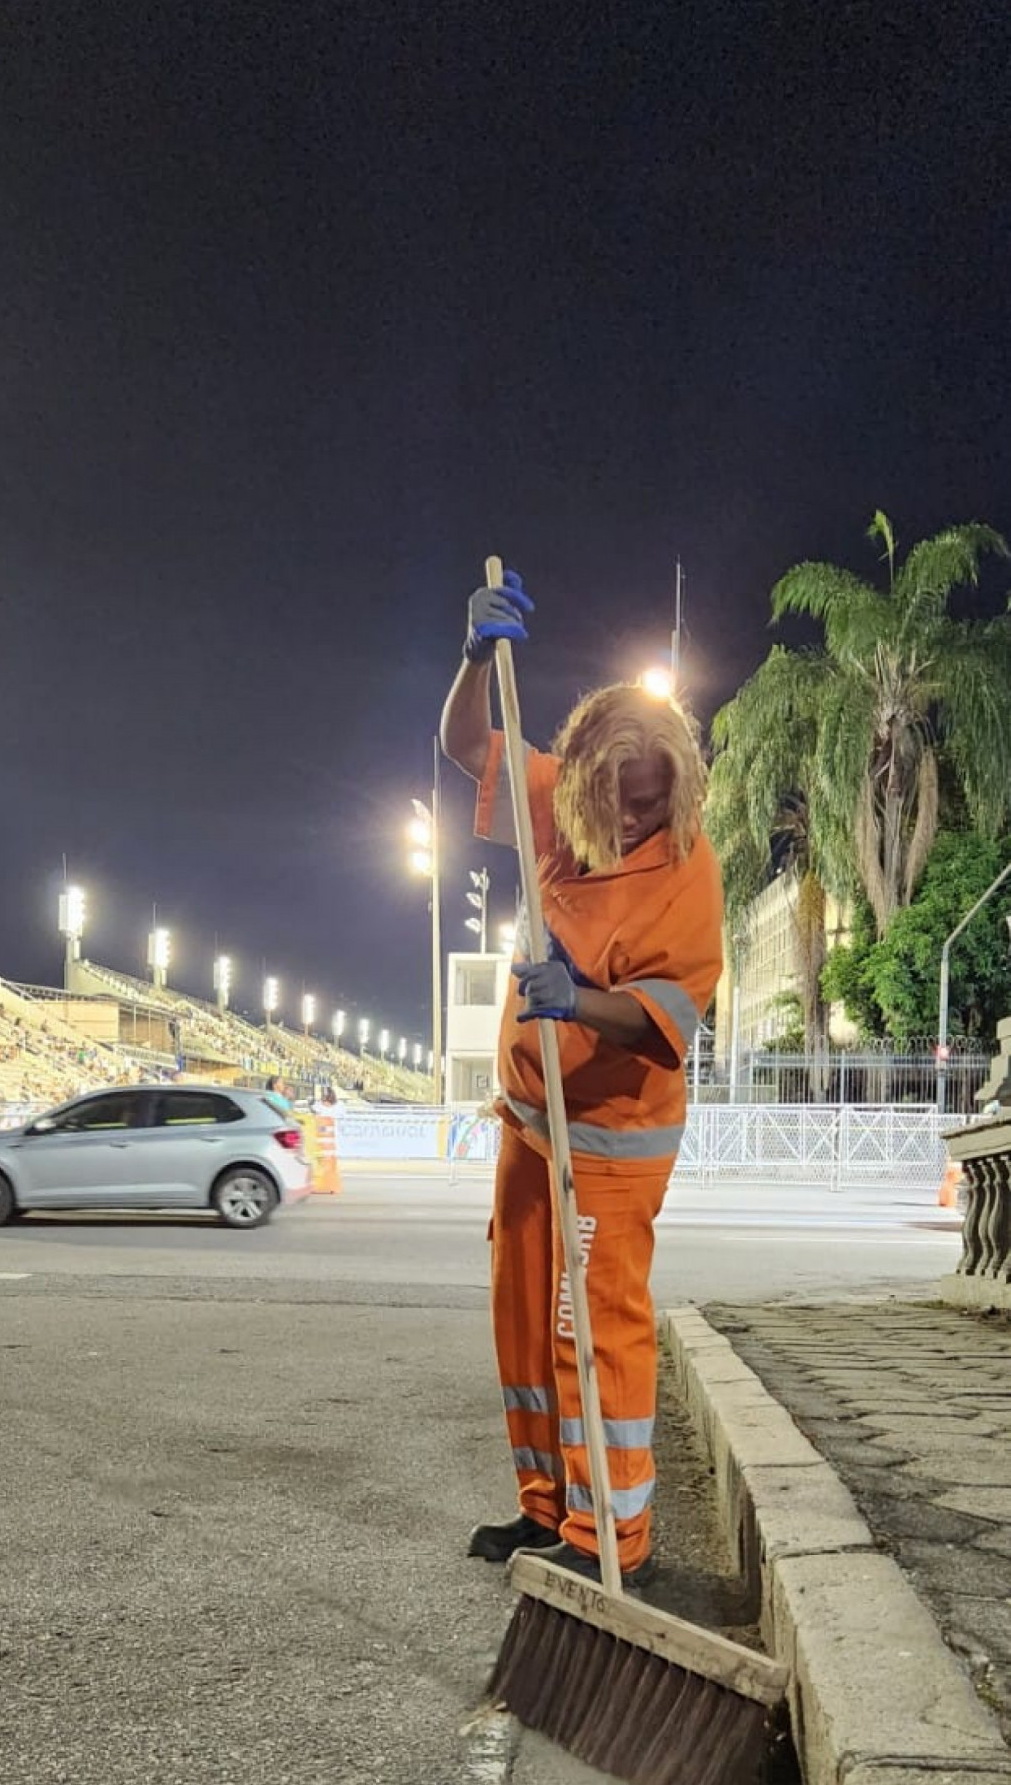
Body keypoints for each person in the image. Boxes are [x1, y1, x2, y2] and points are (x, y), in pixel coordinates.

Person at [441, 567, 723, 1587]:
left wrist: (576, 1000)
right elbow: (467, 746)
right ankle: (549, 1509)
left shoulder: (688, 866)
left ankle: (615, 1541)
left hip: (611, 1140)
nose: (637, 823)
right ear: (591, 780)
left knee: (590, 1332)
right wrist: (474, 661)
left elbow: (664, 1024)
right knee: (524, 1320)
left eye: (652, 806)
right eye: (623, 805)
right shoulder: (562, 796)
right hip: (530, 1116)